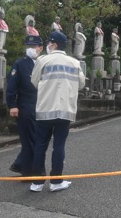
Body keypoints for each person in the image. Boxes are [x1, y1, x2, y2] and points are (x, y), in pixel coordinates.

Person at [30, 31, 85, 192]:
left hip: (44, 110)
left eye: (49, 43)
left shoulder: (42, 60)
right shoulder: (74, 63)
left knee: (40, 145)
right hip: (65, 111)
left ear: (53, 45)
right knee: (59, 146)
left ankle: (37, 183)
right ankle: (56, 181)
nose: (47, 45)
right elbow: (81, 84)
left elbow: (34, 82)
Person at [6, 35, 43, 177]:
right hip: (25, 106)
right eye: (28, 46)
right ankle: (29, 173)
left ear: (40, 48)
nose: (31, 49)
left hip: (41, 106)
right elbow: (11, 86)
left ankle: (21, 164)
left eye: (33, 47)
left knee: (37, 139)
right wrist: (12, 105)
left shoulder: (43, 62)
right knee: (28, 140)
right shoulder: (20, 64)